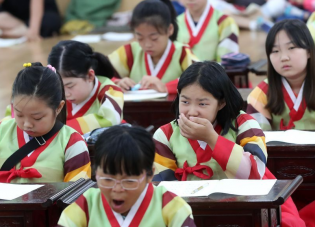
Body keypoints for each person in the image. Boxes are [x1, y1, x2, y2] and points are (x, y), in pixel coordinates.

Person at [58, 125, 196, 227]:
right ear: (96, 174)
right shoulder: (87, 204)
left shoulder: (170, 205)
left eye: (129, 181)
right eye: (107, 179)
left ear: (150, 174)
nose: (117, 189)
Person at [153, 61, 267, 181]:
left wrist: (212, 138)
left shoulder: (245, 124)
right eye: (185, 102)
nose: (192, 112)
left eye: (202, 104)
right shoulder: (164, 135)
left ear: (221, 103)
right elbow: (162, 187)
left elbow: (254, 175)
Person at [0, 62, 91, 183]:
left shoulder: (72, 143)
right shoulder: (2, 130)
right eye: (19, 114)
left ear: (59, 107)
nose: (27, 124)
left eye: (37, 118)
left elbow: (77, 195)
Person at [247, 19, 315, 131]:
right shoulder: (260, 94)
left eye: (291, 48)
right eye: (275, 51)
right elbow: (256, 139)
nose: (284, 57)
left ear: (309, 51)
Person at [108, 0, 198, 94]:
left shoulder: (182, 53)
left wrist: (166, 87)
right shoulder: (129, 51)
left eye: (154, 38)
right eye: (140, 38)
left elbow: (199, 79)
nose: (147, 45)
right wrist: (117, 82)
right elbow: (100, 74)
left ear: (169, 29)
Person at [47, 40, 124, 135]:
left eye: (70, 86)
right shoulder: (54, 90)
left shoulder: (109, 90)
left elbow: (110, 119)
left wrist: (61, 129)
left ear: (90, 75)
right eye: (59, 86)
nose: (66, 94)